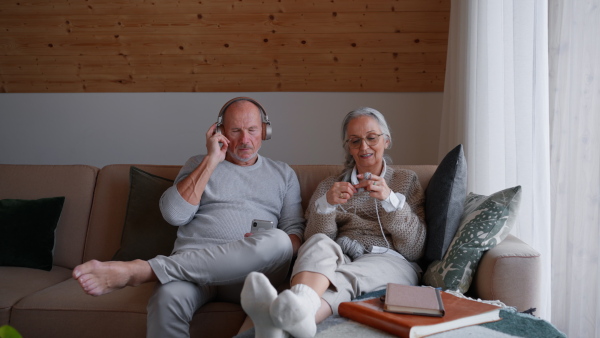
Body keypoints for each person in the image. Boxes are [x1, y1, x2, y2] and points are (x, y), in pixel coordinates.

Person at [72, 97, 305, 338]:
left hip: (253, 273)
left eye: (252, 130)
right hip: (191, 271)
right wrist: (212, 160)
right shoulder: (198, 164)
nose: (245, 140)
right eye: (235, 130)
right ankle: (159, 270)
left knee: (278, 241)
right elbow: (174, 215)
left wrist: (259, 244)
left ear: (265, 131)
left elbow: (295, 234)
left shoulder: (283, 174)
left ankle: (144, 270)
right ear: (219, 131)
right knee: (166, 298)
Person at [240, 107, 426, 338]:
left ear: (386, 140)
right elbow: (315, 242)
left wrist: (390, 200)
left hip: (390, 259)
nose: (364, 147)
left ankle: (286, 321)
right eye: (355, 141)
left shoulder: (405, 181)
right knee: (317, 244)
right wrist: (326, 206)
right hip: (342, 253)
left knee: (344, 278)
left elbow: (414, 248)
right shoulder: (331, 185)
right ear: (348, 147)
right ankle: (300, 312)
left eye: (371, 138)